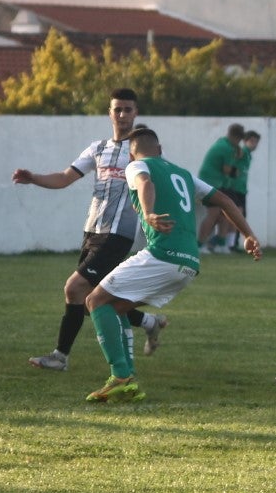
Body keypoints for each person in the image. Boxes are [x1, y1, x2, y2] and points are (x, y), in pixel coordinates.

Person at [85, 126, 262, 403]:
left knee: (95, 300)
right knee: (116, 306)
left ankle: (121, 376)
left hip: (162, 254)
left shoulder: (137, 166)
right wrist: (248, 234)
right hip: (190, 262)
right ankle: (127, 379)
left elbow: (145, 183)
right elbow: (226, 200)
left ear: (132, 156)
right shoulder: (184, 174)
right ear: (160, 149)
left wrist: (148, 212)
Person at [12, 88, 167, 371]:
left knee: (74, 288)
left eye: (127, 109)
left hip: (118, 236)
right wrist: (33, 178)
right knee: (89, 300)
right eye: (117, 109)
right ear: (109, 113)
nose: (122, 115)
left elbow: (156, 182)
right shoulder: (97, 149)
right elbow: (63, 177)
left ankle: (60, 357)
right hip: (92, 233)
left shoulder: (140, 153)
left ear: (136, 113)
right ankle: (150, 322)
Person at [196, 122, 246, 254]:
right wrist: (237, 171)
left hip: (214, 183)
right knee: (213, 213)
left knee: (225, 213)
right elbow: (227, 170)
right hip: (211, 184)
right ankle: (199, 245)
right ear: (237, 138)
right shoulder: (228, 149)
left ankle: (221, 244)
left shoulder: (223, 143)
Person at [223, 130, 260, 252]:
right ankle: (228, 244)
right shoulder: (242, 151)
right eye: (252, 141)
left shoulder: (248, 154)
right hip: (234, 188)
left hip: (242, 189)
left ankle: (232, 244)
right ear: (245, 141)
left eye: (256, 142)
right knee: (237, 215)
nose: (254, 144)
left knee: (241, 216)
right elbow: (231, 161)